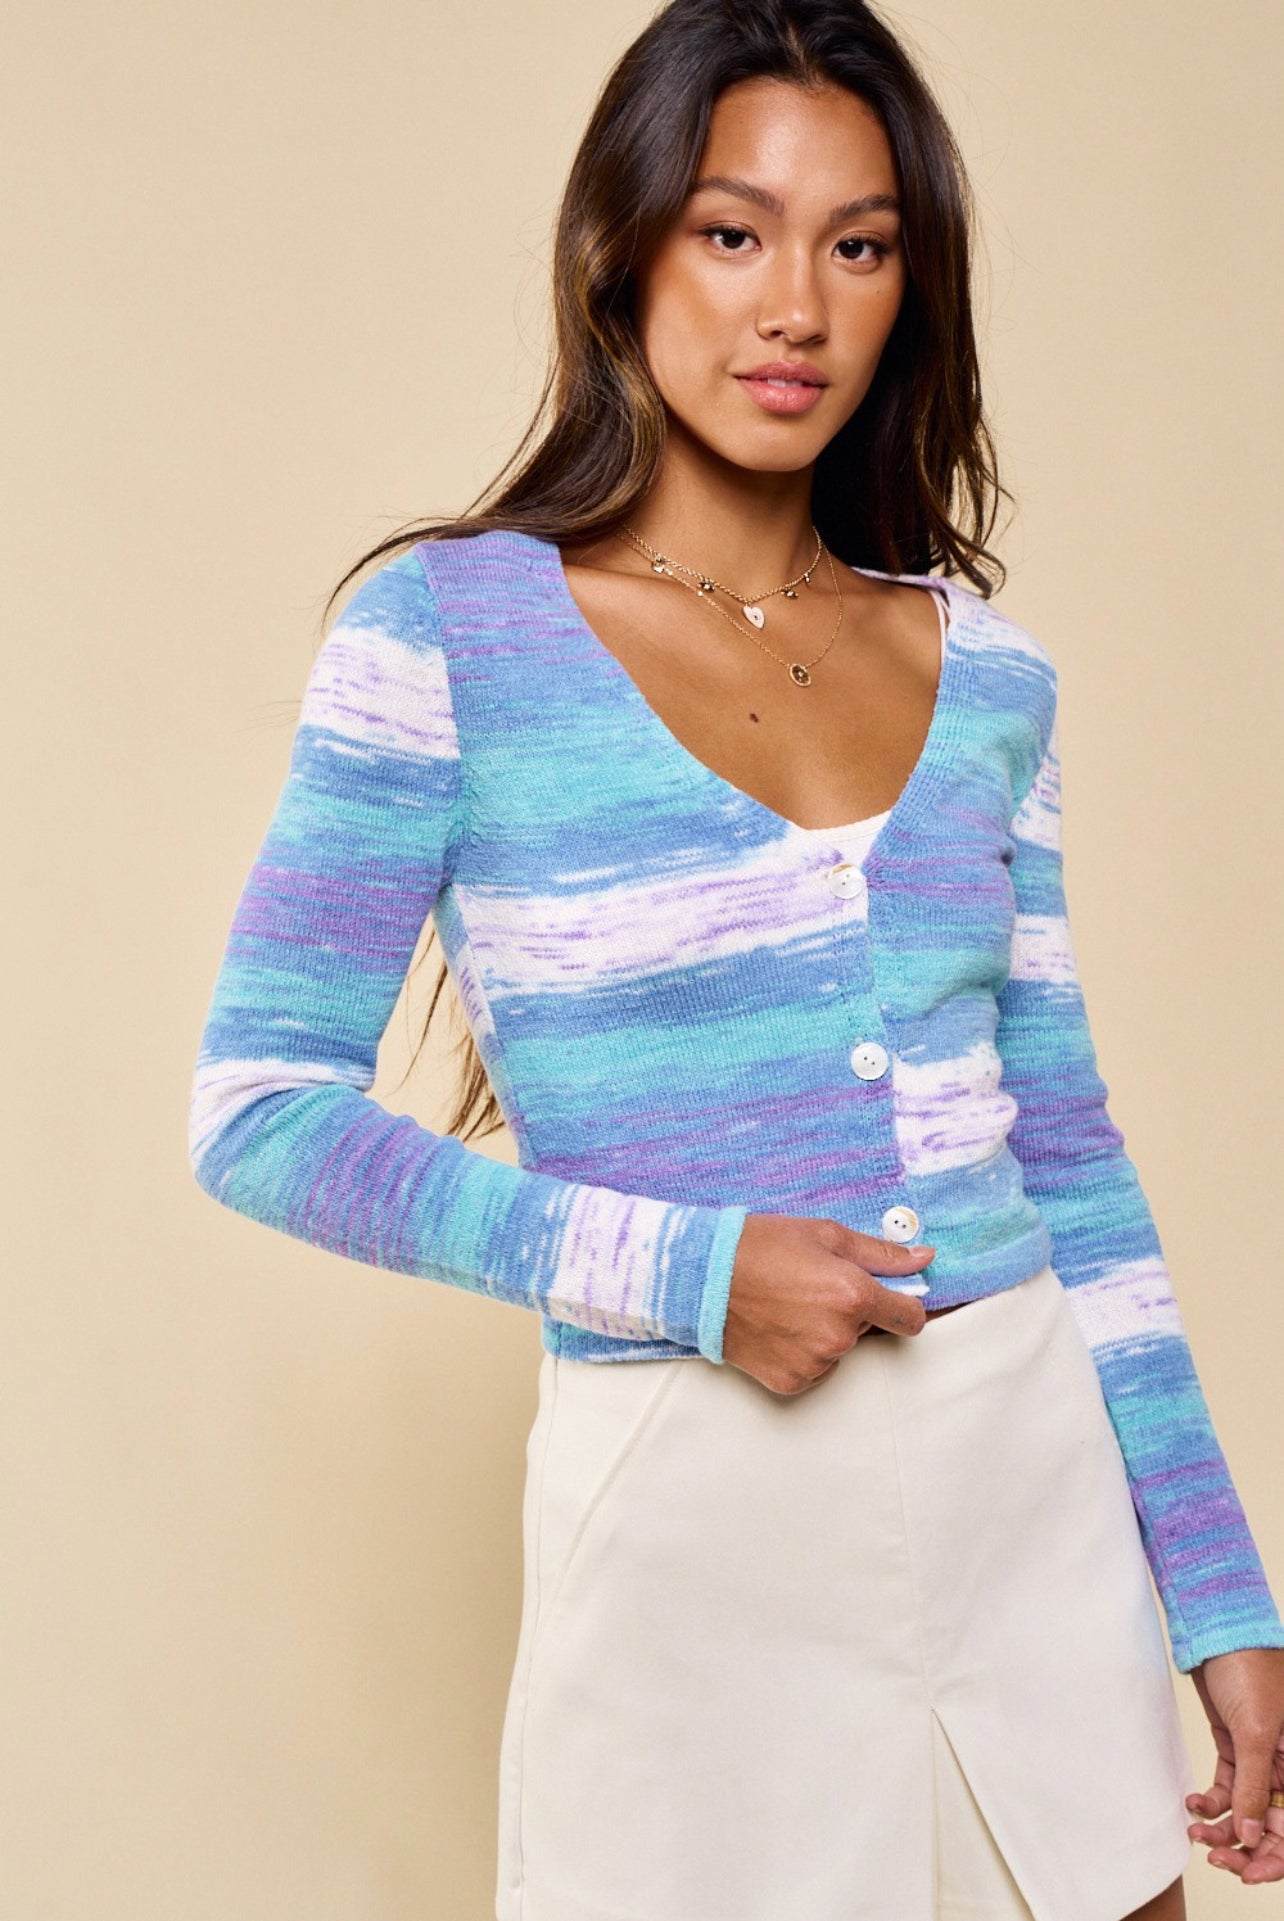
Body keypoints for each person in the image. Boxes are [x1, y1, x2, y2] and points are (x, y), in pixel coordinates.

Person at [187, 1, 1284, 1914]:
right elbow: (258, 1111)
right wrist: (688, 1274)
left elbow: (1068, 1154)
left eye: (859, 245)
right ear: (619, 251)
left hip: (1029, 1494)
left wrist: (1215, 1586)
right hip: (695, 1524)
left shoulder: (991, 675)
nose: (796, 306)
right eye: (732, 230)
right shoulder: (445, 637)